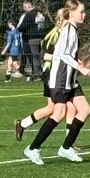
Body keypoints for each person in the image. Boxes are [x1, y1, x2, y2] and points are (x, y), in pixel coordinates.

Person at [24, 0, 90, 164]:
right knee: (59, 113)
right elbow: (62, 54)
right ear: (72, 13)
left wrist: (77, 65)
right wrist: (80, 67)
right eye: (81, 12)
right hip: (60, 79)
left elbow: (67, 54)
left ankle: (66, 148)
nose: (84, 15)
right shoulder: (68, 30)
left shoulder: (73, 30)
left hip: (71, 80)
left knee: (84, 110)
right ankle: (33, 148)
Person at [14, 7, 67, 139]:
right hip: (52, 74)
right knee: (67, 107)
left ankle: (22, 124)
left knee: (51, 108)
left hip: (56, 73)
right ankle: (70, 143)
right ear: (61, 19)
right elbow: (46, 56)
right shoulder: (55, 35)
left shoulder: (63, 33)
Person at [16, 0, 47, 81]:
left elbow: (23, 26)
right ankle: (42, 72)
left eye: (25, 7)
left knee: (35, 57)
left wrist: (18, 29)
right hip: (41, 38)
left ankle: (37, 74)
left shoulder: (29, 15)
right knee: (40, 56)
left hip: (32, 38)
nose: (24, 8)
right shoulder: (39, 14)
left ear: (29, 6)